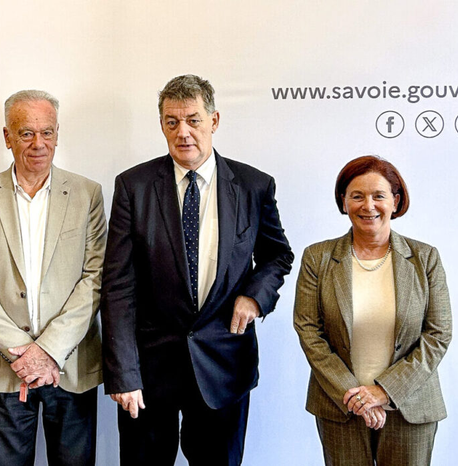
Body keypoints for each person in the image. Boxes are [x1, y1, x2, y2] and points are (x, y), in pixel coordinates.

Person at [101, 74, 294, 466]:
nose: (183, 132)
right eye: (172, 122)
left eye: (193, 120)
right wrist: (123, 374)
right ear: (162, 125)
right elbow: (118, 286)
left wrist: (254, 297)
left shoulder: (254, 186)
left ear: (214, 120)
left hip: (224, 366)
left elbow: (277, 255)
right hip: (149, 371)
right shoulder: (134, 187)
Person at [0, 90, 106, 466]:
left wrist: (49, 350)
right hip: (6, 368)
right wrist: (23, 353)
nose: (38, 143)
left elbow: (94, 277)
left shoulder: (87, 194)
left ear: (57, 134)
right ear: (7, 137)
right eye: (26, 133)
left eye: (47, 132)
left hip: (70, 364)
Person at [293, 155, 452, 465]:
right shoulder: (317, 258)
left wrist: (384, 391)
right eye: (357, 196)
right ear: (344, 201)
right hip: (341, 405)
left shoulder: (425, 258)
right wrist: (357, 396)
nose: (368, 206)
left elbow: (438, 334)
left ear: (395, 201)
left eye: (378, 195)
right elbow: (309, 331)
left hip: (410, 406)